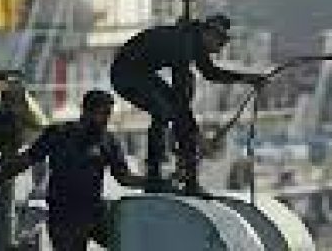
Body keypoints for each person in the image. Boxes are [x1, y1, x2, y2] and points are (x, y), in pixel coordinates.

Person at [109, 14, 266, 194]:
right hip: (126, 75)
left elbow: (210, 73)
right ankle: (155, 174)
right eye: (220, 43)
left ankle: (188, 178)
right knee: (164, 112)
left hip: (143, 74)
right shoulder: (183, 45)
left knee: (175, 113)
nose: (219, 49)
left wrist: (247, 79)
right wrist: (197, 137)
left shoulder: (195, 42)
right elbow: (181, 102)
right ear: (209, 34)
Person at [0, 89, 143, 251]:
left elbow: (123, 177)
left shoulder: (108, 141)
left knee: (127, 242)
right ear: (86, 111)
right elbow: (27, 159)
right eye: (101, 114)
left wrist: (154, 182)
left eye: (108, 114)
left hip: (94, 212)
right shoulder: (59, 133)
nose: (105, 119)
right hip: (63, 214)